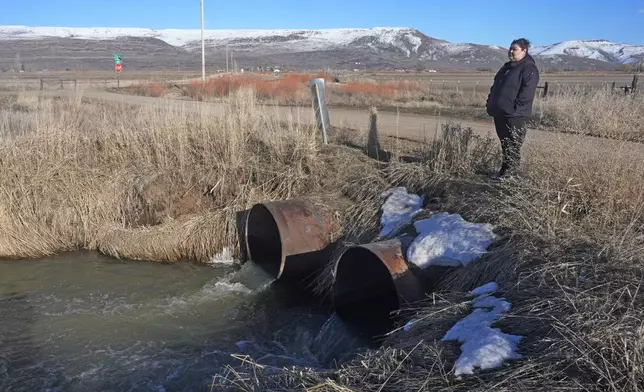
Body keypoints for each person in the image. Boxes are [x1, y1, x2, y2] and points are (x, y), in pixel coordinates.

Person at [486, 38, 540, 180]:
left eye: (514, 49)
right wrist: (490, 103)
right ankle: (503, 172)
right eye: (510, 49)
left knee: (513, 145)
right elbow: (495, 86)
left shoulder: (529, 68)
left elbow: (527, 93)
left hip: (516, 115)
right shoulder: (507, 67)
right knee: (505, 144)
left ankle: (512, 175)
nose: (511, 51)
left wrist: (513, 109)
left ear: (524, 51)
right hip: (500, 112)